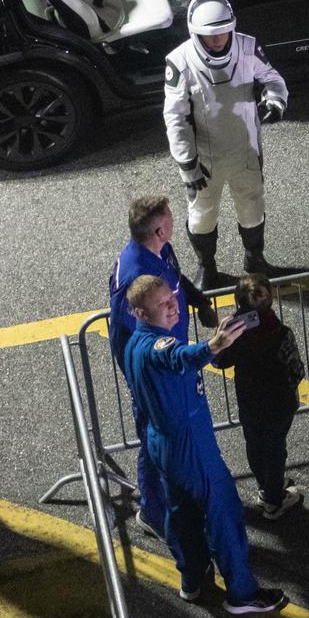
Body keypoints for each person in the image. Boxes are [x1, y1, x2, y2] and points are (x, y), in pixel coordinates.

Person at [120, 276, 287, 612]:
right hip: (191, 446)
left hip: (162, 443)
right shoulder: (158, 346)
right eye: (163, 304)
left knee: (181, 513)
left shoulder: (133, 344)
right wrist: (214, 345)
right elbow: (178, 357)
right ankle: (242, 593)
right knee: (224, 512)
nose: (173, 306)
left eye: (172, 298)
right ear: (140, 313)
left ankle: (192, 579)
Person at [107, 194, 217, 536]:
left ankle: (179, 499)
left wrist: (198, 301)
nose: (174, 219)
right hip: (156, 373)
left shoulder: (160, 250)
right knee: (156, 438)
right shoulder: (135, 276)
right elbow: (135, 335)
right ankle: (153, 512)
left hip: (172, 362)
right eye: (169, 217)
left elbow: (175, 279)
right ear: (158, 230)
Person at [163, 0, 288, 288]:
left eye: (223, 30)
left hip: (246, 148)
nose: (218, 39)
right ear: (196, 33)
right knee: (202, 216)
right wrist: (187, 164)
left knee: (252, 206)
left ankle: (255, 258)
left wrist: (275, 100)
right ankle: (207, 267)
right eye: (210, 34)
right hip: (205, 159)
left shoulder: (247, 47)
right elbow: (175, 117)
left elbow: (272, 78)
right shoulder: (180, 61)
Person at [213, 273, 305, 519]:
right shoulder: (281, 333)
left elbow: (218, 361)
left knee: (254, 445)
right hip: (279, 404)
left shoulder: (235, 335)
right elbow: (296, 369)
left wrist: (220, 334)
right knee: (275, 449)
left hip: (249, 402)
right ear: (271, 300)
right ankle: (274, 500)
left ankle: (266, 486)